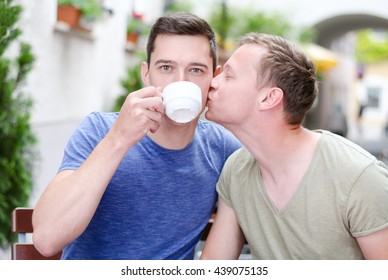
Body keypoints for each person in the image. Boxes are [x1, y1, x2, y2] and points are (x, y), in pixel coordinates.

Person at [32, 12, 241, 260]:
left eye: (196, 70)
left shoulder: (222, 148)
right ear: (146, 74)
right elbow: (46, 239)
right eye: (166, 67)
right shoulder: (99, 130)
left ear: (214, 79)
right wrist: (119, 139)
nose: (180, 81)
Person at [201, 33, 388, 260]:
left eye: (228, 75)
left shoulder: (359, 178)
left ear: (268, 98)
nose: (213, 81)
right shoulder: (236, 170)